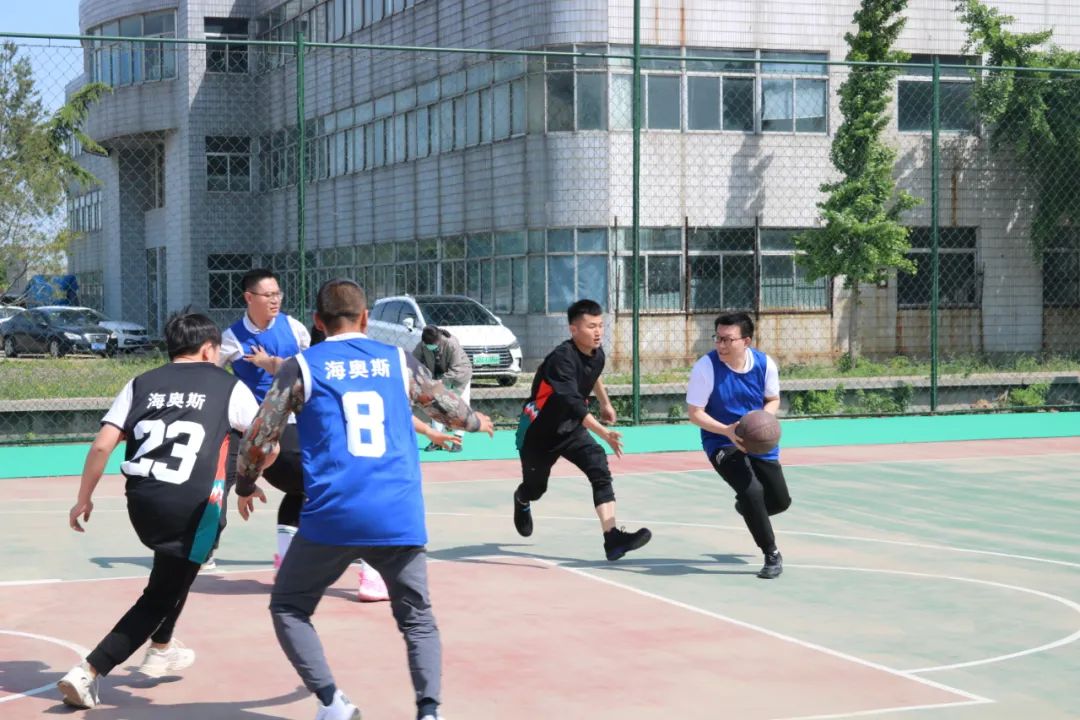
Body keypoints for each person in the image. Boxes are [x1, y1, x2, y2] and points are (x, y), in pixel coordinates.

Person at [235, 279, 494, 720]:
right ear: (366, 318)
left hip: (333, 515)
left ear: (317, 322)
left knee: (289, 607)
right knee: (417, 618)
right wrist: (474, 420)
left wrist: (245, 483)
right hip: (397, 513)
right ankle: (429, 710)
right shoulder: (398, 360)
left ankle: (332, 703)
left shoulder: (301, 367)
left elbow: (259, 437)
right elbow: (445, 406)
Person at [56, 311, 273, 709]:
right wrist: (248, 481)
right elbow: (264, 443)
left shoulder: (140, 383)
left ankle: (161, 646)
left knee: (174, 567)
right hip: (196, 507)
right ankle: (88, 671)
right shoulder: (229, 386)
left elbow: (102, 444)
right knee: (161, 594)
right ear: (208, 349)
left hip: (143, 502)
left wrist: (83, 498)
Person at [218, 269, 388, 600]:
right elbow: (212, 372)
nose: (275, 300)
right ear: (249, 298)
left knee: (299, 492)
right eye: (268, 295)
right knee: (348, 493)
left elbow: (312, 366)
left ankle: (286, 564)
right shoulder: (232, 338)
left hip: (297, 433)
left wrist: (273, 363)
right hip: (273, 435)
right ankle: (371, 570)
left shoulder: (293, 328)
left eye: (278, 294)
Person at [512, 299, 651, 561]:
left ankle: (612, 539)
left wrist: (605, 403)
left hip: (572, 429)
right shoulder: (560, 360)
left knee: (599, 467)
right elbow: (574, 405)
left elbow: (592, 374)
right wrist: (604, 433)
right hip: (539, 434)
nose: (598, 332)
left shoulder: (597, 354)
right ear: (573, 329)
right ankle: (521, 498)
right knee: (536, 489)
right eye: (591, 326)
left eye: (600, 325)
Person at [685, 312, 792, 579]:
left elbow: (773, 399)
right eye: (717, 338)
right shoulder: (706, 368)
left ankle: (746, 507)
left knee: (780, 501)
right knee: (752, 490)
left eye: (727, 339)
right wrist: (727, 431)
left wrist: (763, 421)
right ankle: (771, 553)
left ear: (746, 341)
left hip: (757, 439)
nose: (720, 345)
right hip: (721, 439)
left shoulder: (765, 364)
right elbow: (695, 413)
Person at [413, 325, 472, 452]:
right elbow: (413, 361)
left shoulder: (451, 343)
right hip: (439, 377)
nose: (429, 346)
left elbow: (456, 369)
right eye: (427, 344)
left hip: (460, 376)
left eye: (432, 345)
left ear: (438, 340)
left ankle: (457, 440)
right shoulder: (423, 345)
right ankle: (437, 440)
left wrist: (440, 382)